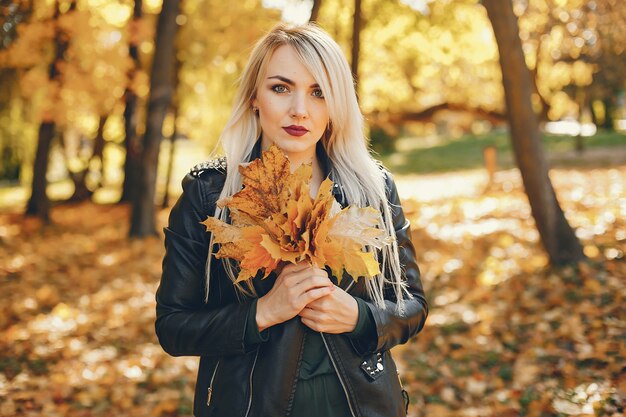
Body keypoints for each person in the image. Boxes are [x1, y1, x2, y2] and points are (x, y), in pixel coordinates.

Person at [155, 23, 428, 417]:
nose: (299, 109)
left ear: (336, 104)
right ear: (254, 97)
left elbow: (413, 305)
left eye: (319, 92)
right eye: (281, 88)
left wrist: (360, 316)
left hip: (361, 405)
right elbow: (173, 326)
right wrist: (261, 313)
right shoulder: (210, 194)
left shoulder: (371, 188)